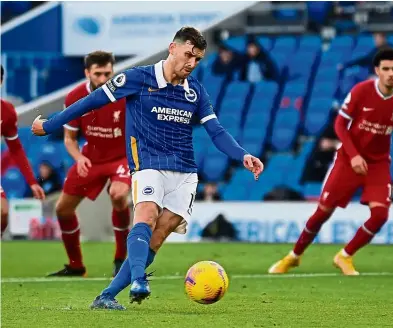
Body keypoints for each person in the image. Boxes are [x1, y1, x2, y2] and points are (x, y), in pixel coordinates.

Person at [32, 26, 264, 310]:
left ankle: (106, 296)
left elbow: (215, 131)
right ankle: (139, 279)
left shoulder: (196, 92)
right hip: (148, 163)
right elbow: (90, 102)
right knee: (146, 213)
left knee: (160, 234)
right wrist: (49, 125)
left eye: (198, 59)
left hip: (185, 172)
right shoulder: (136, 78)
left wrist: (242, 155)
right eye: (188, 55)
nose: (191, 63)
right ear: (173, 48)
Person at [268, 48, 393, 276]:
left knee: (380, 215)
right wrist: (353, 154)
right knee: (323, 212)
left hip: (378, 164)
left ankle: (345, 255)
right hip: (347, 159)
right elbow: (339, 125)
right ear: (377, 71)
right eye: (386, 69)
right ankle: (293, 256)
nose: (391, 73)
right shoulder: (361, 91)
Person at [45, 51, 131, 278]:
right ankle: (76, 266)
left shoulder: (124, 94)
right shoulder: (74, 96)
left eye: (108, 73)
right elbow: (69, 139)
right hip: (90, 159)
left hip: (121, 158)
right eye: (98, 74)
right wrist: (79, 158)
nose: (104, 79)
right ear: (87, 73)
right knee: (62, 209)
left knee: (118, 195)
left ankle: (121, 259)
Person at [0, 65, 45, 236]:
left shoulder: (7, 112)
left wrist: (32, 181)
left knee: (3, 213)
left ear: (1, 82)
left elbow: (16, 149)